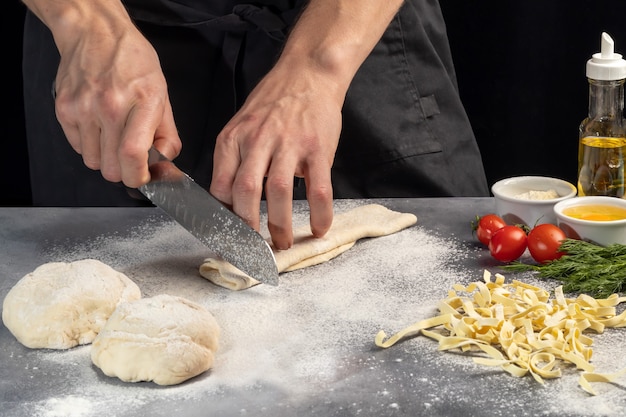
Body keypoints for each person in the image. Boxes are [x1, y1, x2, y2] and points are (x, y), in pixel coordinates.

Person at [21, 0, 489, 250]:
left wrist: (319, 66)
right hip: (107, 59)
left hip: (354, 28)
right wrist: (84, 21)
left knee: (442, 267)